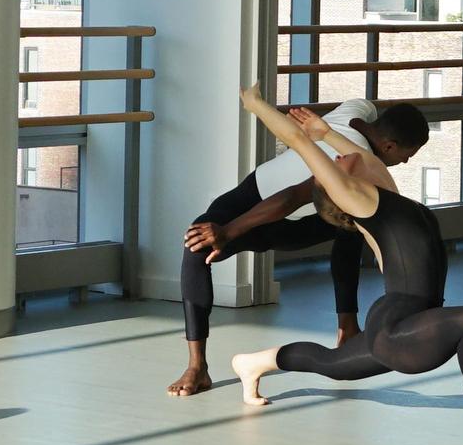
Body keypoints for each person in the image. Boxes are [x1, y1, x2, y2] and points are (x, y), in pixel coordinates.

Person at [227, 86, 463, 445]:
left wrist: (324, 131)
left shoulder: (385, 188)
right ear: (340, 192)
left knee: (332, 365)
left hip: (405, 323)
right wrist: (256, 105)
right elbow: (298, 141)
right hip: (397, 327)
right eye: (335, 165)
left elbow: (354, 154)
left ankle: (252, 363)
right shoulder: (359, 202)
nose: (339, 159)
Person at [171, 96, 433, 397]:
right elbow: (292, 197)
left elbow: (359, 112)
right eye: (407, 155)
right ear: (388, 146)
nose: (406, 162)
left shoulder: (360, 109)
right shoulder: (353, 161)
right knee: (197, 245)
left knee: (352, 222)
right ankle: (197, 367)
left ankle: (347, 328)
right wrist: (227, 231)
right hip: (270, 211)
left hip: (299, 216)